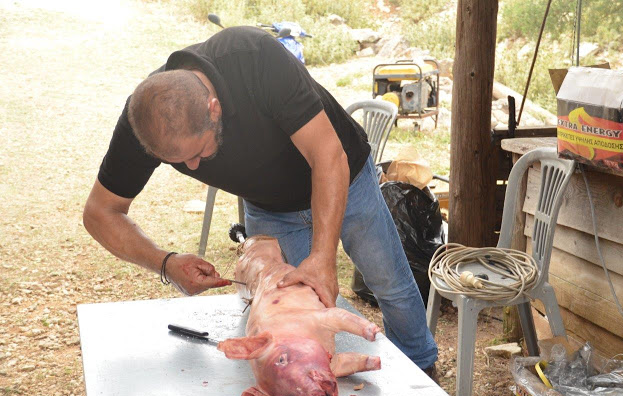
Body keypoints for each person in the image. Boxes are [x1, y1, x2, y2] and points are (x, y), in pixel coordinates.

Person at [83, 26, 438, 375]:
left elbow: (327, 154)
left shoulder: (253, 58)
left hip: (344, 175)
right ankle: (314, 380)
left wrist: (322, 256)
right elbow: (100, 212)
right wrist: (166, 263)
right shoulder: (145, 118)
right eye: (176, 162)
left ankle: (421, 371)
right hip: (270, 207)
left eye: (198, 152)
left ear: (214, 108)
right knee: (291, 313)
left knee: (388, 282)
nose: (191, 166)